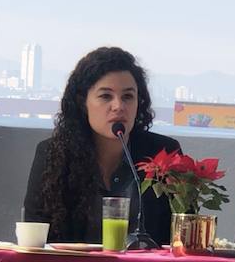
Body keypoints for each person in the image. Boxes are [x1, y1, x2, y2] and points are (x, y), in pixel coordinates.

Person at [24, 47, 179, 243]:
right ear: (83, 102)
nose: (118, 106)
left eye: (128, 97)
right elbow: (36, 233)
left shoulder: (162, 153)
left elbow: (180, 233)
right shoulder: (53, 154)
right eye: (106, 96)